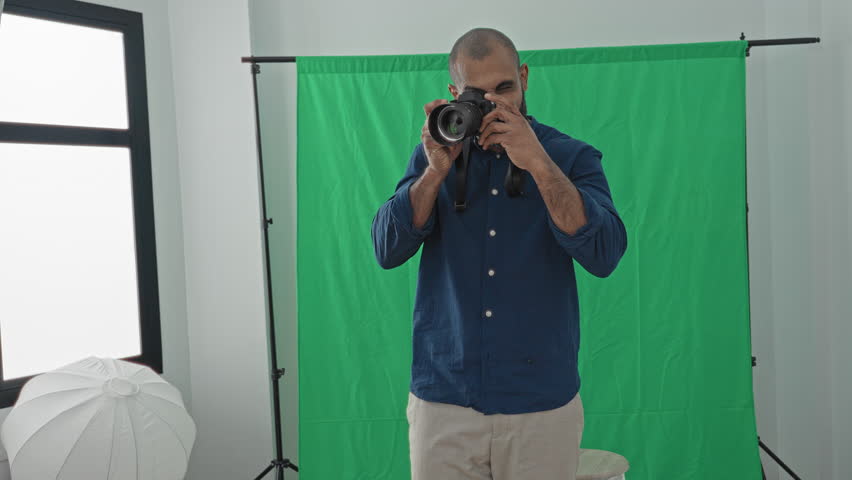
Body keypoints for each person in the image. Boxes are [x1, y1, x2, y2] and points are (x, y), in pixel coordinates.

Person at [370, 27, 627, 480]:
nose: (494, 104)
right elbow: (387, 249)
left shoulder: (569, 156)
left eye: (505, 88)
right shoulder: (434, 154)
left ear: (524, 77)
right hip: (444, 399)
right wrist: (432, 175)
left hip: (540, 402)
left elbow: (604, 253)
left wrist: (538, 162)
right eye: (478, 93)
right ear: (454, 93)